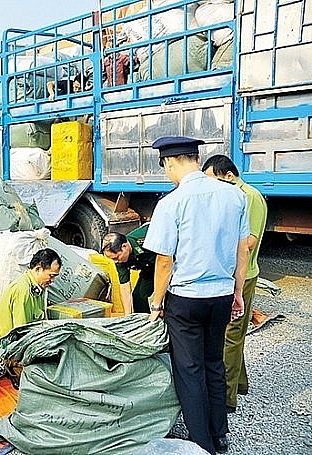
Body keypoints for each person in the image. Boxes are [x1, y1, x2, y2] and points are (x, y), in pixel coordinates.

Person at [144, 136, 250, 455]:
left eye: (165, 167)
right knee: (213, 363)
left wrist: (156, 302)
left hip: (186, 299)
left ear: (172, 162)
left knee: (189, 371)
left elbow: (164, 260)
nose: (167, 173)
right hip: (220, 295)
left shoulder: (172, 202)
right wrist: (238, 292)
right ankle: (220, 435)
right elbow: (242, 249)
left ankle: (202, 444)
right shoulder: (234, 196)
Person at [202, 154, 267, 413]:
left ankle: (226, 398)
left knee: (230, 336)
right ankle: (240, 383)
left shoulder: (248, 196)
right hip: (231, 274)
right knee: (233, 332)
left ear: (228, 176)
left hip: (243, 274)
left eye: (213, 181)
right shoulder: (232, 195)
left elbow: (248, 241)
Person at [0, 248, 62, 350]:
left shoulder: (39, 288)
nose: (52, 281)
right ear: (38, 269)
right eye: (51, 276)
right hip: (8, 349)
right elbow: (22, 335)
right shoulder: (23, 290)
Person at [101, 223, 154, 315]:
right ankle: (143, 324)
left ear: (124, 247)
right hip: (149, 268)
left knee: (170, 299)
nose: (116, 262)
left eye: (116, 257)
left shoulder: (146, 239)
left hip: (170, 263)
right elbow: (124, 287)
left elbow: (166, 260)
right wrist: (127, 316)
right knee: (139, 297)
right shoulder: (119, 260)